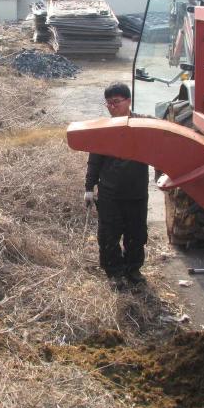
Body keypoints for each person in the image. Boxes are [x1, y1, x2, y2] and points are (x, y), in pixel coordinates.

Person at [84, 82, 149, 283]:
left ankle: (133, 269)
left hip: (136, 193)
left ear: (128, 101)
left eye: (116, 102)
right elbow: (94, 160)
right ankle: (114, 272)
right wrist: (89, 187)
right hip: (110, 193)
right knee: (108, 235)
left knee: (136, 234)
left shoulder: (143, 126)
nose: (112, 107)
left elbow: (160, 150)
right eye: (109, 103)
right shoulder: (104, 129)